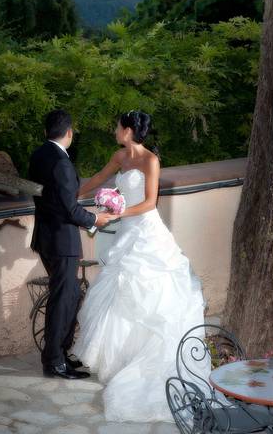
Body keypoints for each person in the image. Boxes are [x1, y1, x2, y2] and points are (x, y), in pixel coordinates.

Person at [70, 110, 209, 422]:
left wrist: (118, 212)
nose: (115, 131)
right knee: (119, 293)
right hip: (126, 233)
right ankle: (121, 359)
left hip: (146, 232)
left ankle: (146, 362)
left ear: (129, 130)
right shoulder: (120, 156)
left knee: (148, 295)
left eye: (118, 127)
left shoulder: (150, 160)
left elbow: (150, 202)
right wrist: (71, 195)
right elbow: (97, 180)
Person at [29, 109, 113, 380]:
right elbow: (69, 209)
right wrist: (95, 220)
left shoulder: (38, 155)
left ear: (46, 132)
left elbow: (49, 199)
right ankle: (54, 361)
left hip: (45, 237)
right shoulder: (62, 163)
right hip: (61, 240)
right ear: (69, 133)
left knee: (68, 296)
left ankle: (60, 354)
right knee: (63, 300)